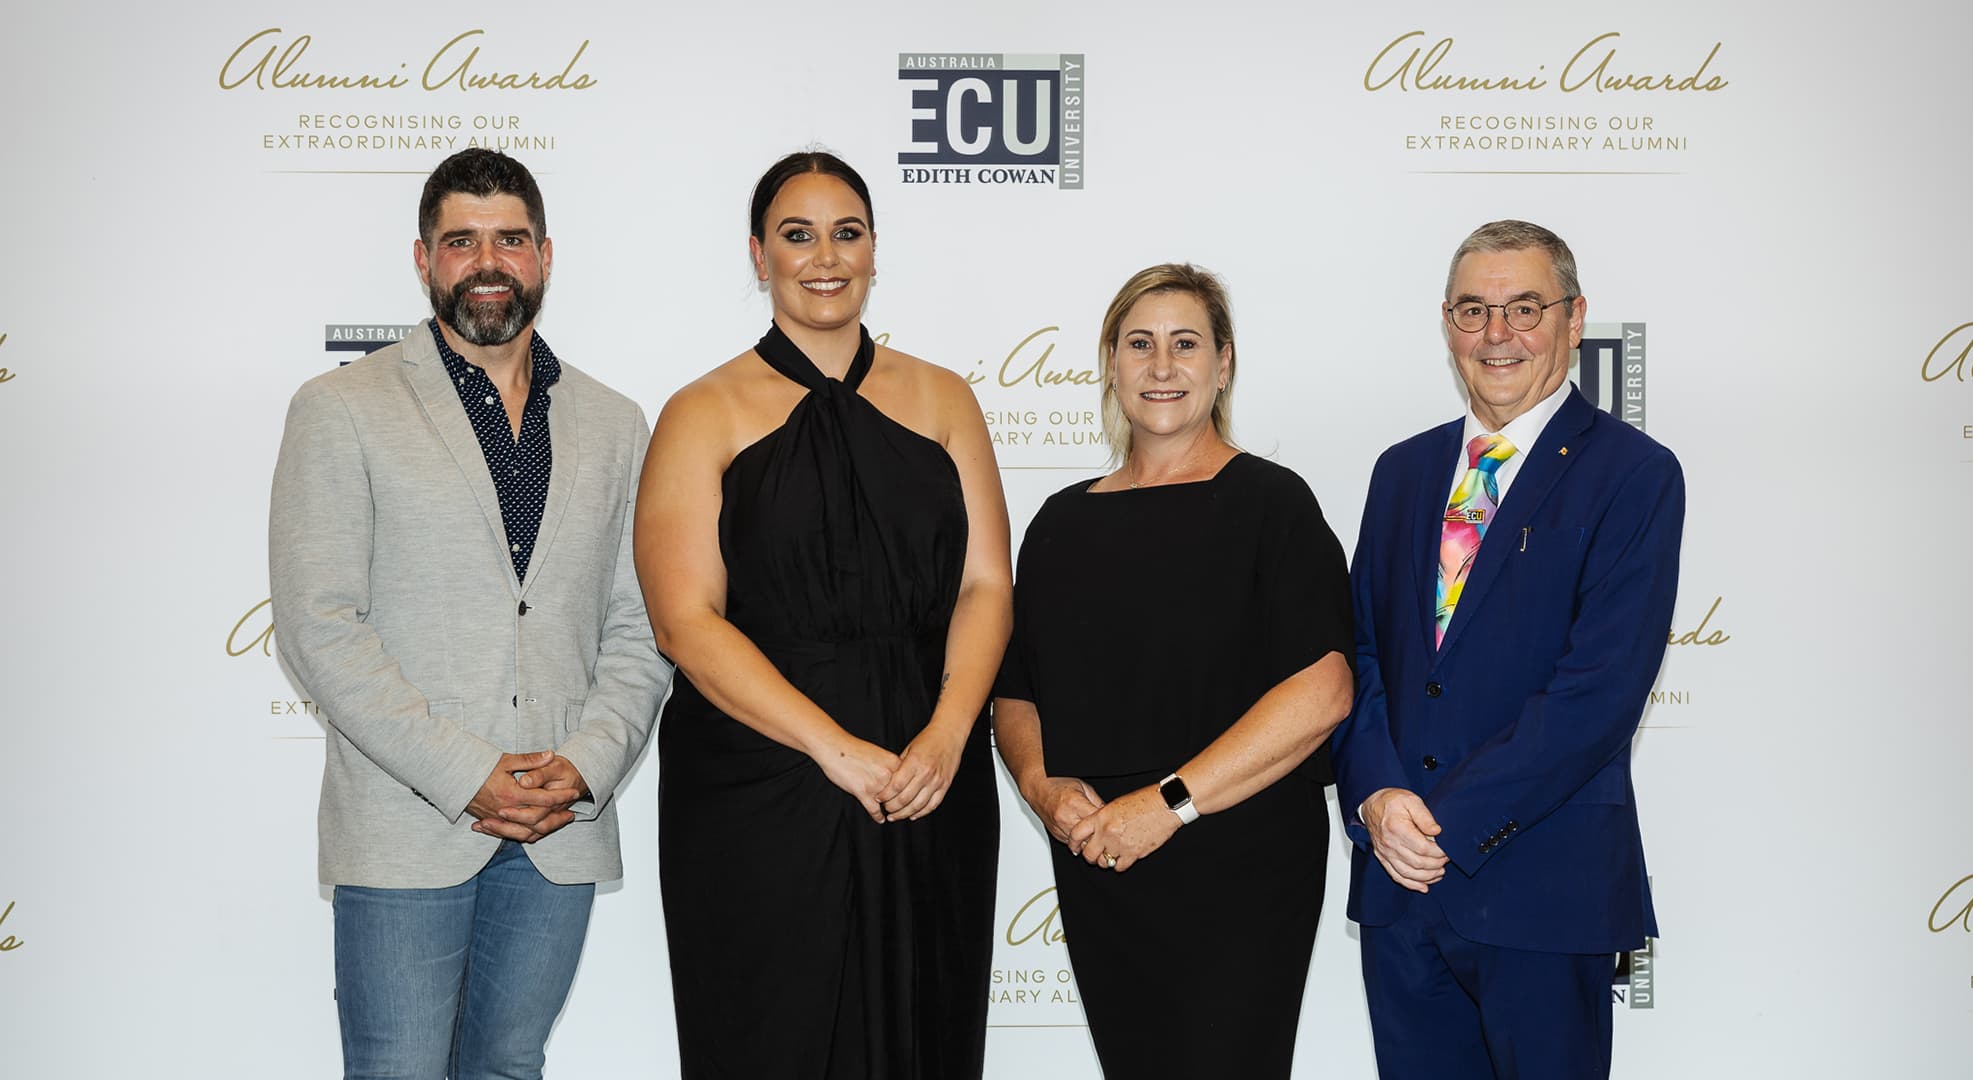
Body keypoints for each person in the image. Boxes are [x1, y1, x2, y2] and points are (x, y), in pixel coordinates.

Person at [269, 148, 670, 1079]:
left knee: (508, 1068)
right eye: (462, 241)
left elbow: (640, 625)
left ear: (545, 255)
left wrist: (584, 767)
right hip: (407, 828)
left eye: (510, 239)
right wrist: (470, 773)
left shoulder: (617, 424)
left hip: (557, 833)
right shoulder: (343, 407)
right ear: (423, 260)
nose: (488, 261)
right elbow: (320, 625)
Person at [634, 150, 1010, 1077]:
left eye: (847, 232)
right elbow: (685, 621)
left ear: (876, 250)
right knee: (775, 1034)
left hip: (929, 772)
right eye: (797, 235)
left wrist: (949, 736)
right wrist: (833, 748)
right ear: (758, 255)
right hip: (762, 783)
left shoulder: (945, 398)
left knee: (927, 1029)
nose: (825, 256)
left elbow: (986, 586)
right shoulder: (701, 411)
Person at [1332, 220, 1684, 1079]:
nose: (1497, 335)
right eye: (1473, 310)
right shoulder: (1401, 471)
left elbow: (1597, 693)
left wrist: (1443, 822)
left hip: (1541, 888)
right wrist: (1377, 795)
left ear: (1574, 318)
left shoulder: (1634, 474)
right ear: (1446, 322)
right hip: (1399, 889)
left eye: (1524, 308)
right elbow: (1360, 653)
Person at [992, 263, 1354, 1076]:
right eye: (1140, 345)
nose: (1162, 367)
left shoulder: (1273, 504)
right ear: (1111, 365)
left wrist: (1168, 806)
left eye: (1185, 344)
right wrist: (1044, 790)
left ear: (1223, 364)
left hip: (1240, 868)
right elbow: (1016, 693)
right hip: (1104, 864)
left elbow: (1324, 688)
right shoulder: (1059, 523)